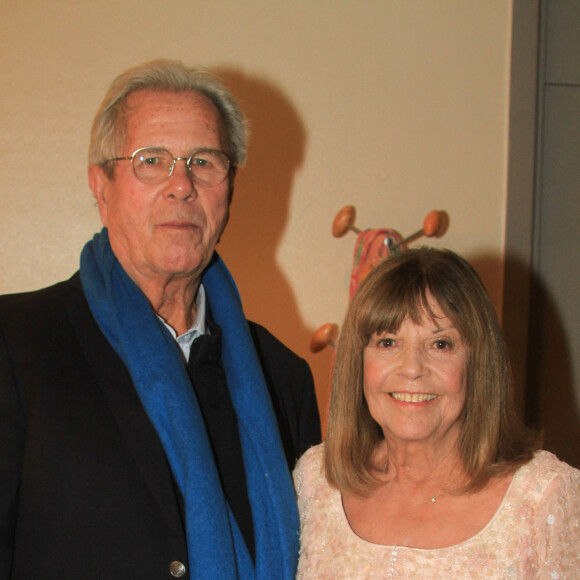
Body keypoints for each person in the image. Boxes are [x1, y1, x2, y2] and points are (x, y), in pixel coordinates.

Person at [0, 59, 320, 579]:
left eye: (204, 161)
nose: (181, 186)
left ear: (229, 189)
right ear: (100, 186)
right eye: (152, 160)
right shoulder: (15, 345)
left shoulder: (283, 378)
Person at [294, 247, 580, 579]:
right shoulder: (317, 480)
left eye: (440, 344)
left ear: (478, 363)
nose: (412, 368)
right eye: (388, 342)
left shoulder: (545, 496)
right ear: (358, 361)